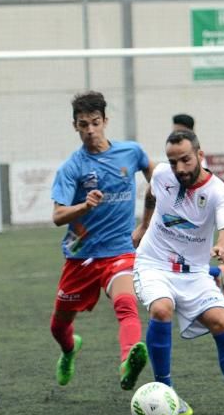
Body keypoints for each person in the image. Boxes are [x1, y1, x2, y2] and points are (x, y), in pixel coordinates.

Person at [132, 129, 224, 415]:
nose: (180, 169)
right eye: (173, 162)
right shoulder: (162, 175)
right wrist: (144, 226)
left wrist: (222, 247)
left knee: (220, 321)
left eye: (185, 160)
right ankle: (167, 392)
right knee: (161, 309)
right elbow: (151, 193)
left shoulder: (218, 192)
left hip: (195, 272)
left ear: (200, 155)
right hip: (153, 263)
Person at [50, 90, 151, 391]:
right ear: (75, 126)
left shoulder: (131, 152)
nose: (90, 130)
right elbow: (57, 216)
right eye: (83, 124)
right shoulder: (72, 168)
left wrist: (145, 224)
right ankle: (69, 350)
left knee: (125, 302)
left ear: (105, 121)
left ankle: (127, 363)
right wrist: (84, 206)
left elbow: (157, 180)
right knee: (59, 325)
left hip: (119, 250)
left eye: (95, 122)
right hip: (81, 256)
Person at [171, 113, 224, 295]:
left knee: (177, 262)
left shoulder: (195, 159)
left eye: (178, 130)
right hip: (181, 213)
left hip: (193, 215)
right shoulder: (182, 155)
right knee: (175, 260)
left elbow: (196, 189)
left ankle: (216, 273)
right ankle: (218, 273)